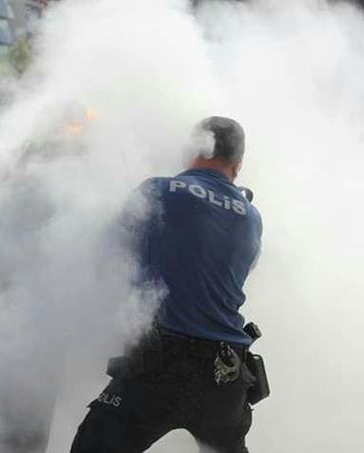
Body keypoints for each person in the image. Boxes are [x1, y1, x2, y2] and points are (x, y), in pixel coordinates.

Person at [70, 116, 263, 453]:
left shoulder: (157, 190)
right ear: (238, 163)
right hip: (225, 371)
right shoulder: (251, 216)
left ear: (193, 149)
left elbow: (107, 256)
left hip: (160, 366)